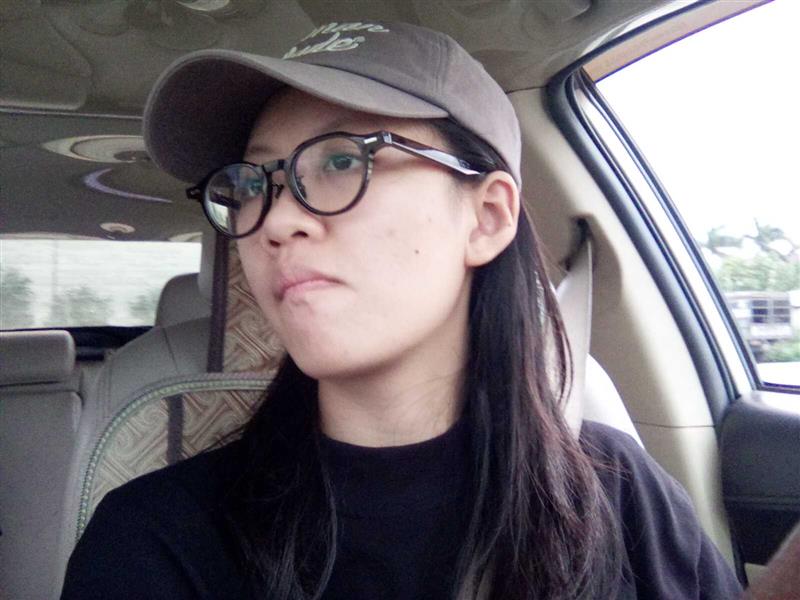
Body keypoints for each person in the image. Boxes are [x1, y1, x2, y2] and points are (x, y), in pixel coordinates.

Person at [61, 21, 743, 600]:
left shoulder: (622, 499)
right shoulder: (155, 540)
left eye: (340, 161)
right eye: (251, 184)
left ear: (487, 217)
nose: (276, 221)